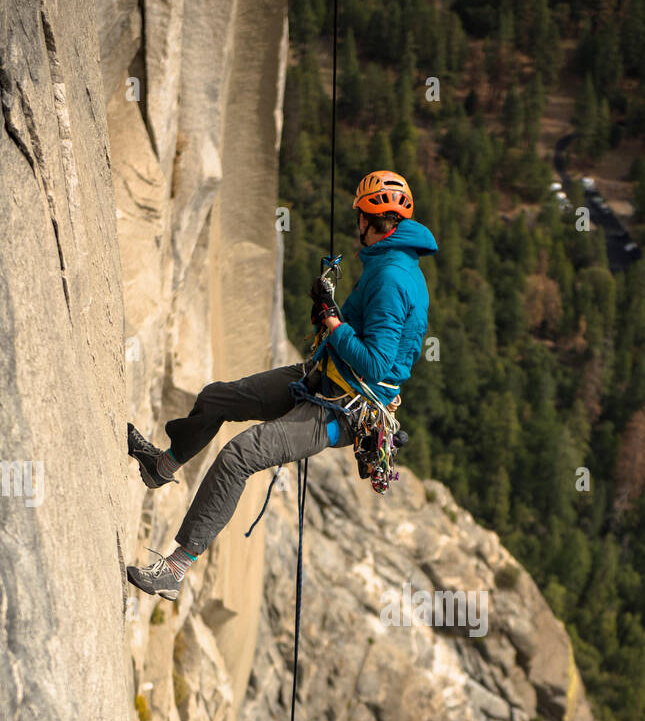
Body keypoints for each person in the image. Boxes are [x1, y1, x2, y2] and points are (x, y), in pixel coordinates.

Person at [126, 170, 437, 600]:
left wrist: (332, 321)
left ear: (369, 218)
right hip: (320, 379)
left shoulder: (391, 277)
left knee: (239, 456)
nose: (355, 225)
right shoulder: (391, 263)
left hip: (340, 410)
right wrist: (332, 315)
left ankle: (176, 570)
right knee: (218, 398)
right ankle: (161, 466)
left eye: (359, 217)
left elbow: (377, 362)